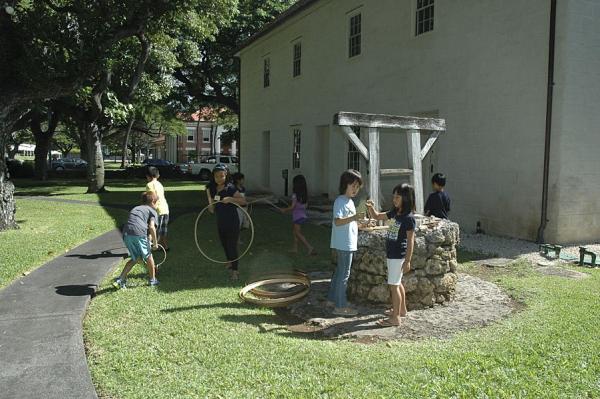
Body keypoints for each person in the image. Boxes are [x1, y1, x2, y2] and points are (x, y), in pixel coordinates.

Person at [366, 184, 416, 327]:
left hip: (398, 256)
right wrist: (370, 207)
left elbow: (411, 241)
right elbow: (377, 216)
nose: (394, 199)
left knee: (393, 285)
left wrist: (408, 261)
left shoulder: (408, 218)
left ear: (406, 199)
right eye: (393, 196)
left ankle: (395, 318)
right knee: (397, 283)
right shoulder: (395, 213)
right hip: (392, 255)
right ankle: (402, 310)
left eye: (398, 197)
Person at [327, 169, 364, 316]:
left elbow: (348, 222)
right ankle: (340, 306)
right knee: (344, 275)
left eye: (357, 186)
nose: (355, 189)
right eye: (353, 185)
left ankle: (332, 300)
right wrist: (354, 218)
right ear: (345, 185)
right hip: (344, 243)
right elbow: (337, 221)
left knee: (339, 273)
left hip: (346, 242)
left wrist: (360, 224)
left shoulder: (349, 201)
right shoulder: (340, 201)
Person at [206, 164, 247, 281]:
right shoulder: (213, 189)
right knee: (224, 244)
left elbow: (243, 201)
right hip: (221, 221)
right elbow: (211, 210)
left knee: (232, 246)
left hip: (232, 221)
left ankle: (235, 271)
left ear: (226, 175)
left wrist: (231, 199)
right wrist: (209, 197)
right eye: (216, 176)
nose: (219, 178)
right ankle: (230, 261)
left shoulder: (230, 188)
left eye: (221, 176)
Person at [113, 191, 160, 289]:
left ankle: (120, 280)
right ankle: (153, 280)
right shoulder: (152, 211)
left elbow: (136, 223)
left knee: (136, 258)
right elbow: (152, 227)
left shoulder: (137, 208)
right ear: (153, 202)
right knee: (149, 256)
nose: (157, 205)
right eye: (157, 202)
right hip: (138, 233)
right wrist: (155, 244)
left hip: (126, 234)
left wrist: (149, 240)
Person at [281, 174, 315, 255]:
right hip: (303, 216)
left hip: (297, 217)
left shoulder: (295, 195)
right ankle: (295, 249)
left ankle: (309, 247)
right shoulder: (304, 195)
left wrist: (284, 210)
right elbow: (305, 205)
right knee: (295, 232)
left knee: (297, 233)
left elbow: (292, 207)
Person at [145, 166, 170, 251]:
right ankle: (165, 246)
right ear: (157, 175)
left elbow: (153, 198)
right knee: (163, 230)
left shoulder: (149, 185)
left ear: (148, 176)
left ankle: (146, 248)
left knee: (152, 229)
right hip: (165, 209)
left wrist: (150, 209)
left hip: (157, 210)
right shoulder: (159, 184)